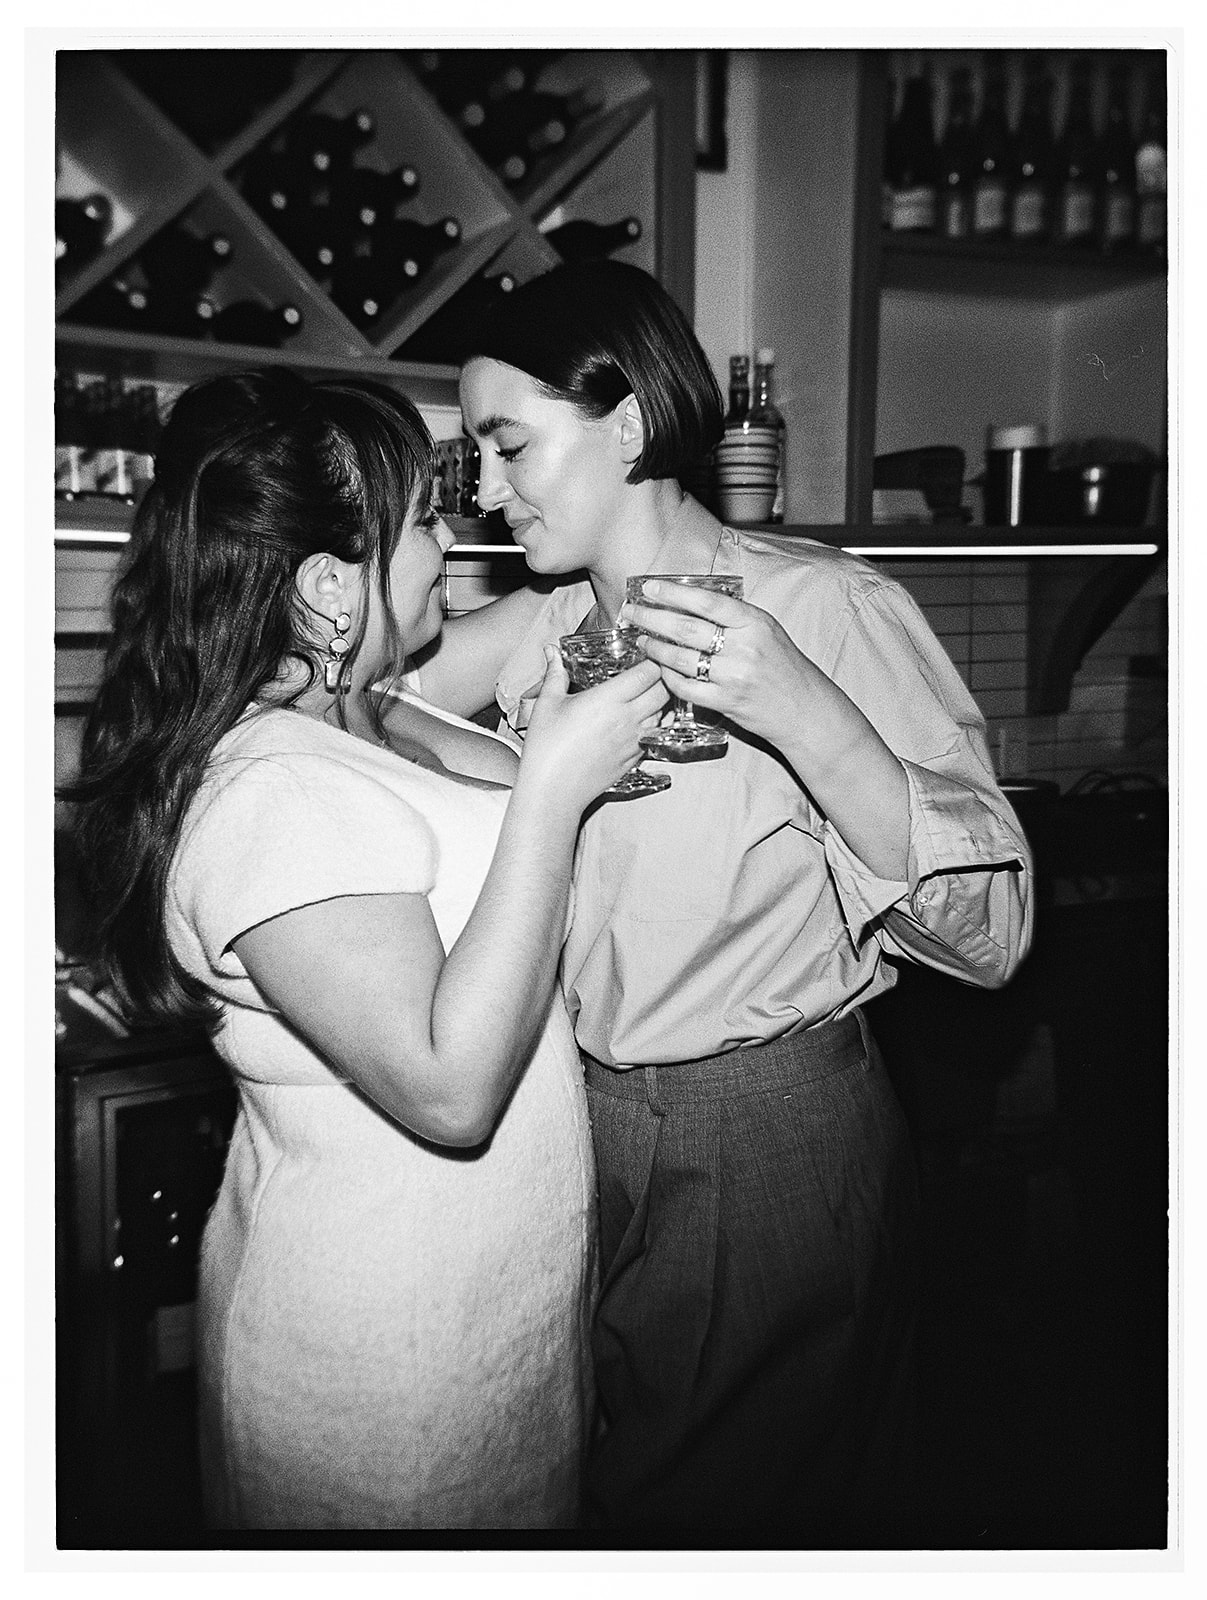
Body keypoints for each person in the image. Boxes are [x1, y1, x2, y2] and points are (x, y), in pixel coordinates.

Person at [389, 260, 1036, 1541]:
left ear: (627, 422)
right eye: (474, 460)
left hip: (762, 1139)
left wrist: (799, 707)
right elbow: (363, 710)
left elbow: (995, 937)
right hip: (582, 1130)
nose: (485, 490)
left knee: (724, 1519)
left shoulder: (827, 607)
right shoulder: (548, 619)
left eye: (509, 447)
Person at [61, 367, 667, 1532]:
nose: (455, 540)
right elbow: (448, 1090)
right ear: (332, 586)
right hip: (383, 1373)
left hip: (500, 1326)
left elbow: (545, 613)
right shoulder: (267, 791)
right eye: (424, 521)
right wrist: (550, 791)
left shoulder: (374, 708)